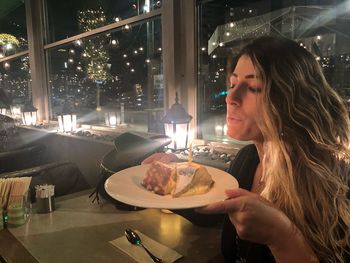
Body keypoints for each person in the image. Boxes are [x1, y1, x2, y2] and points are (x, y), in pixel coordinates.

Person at [143, 36, 350, 262]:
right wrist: (175, 178)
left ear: (292, 100)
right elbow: (215, 211)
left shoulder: (338, 184)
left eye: (253, 87)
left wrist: (283, 239)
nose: (231, 97)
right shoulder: (247, 159)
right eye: (232, 84)